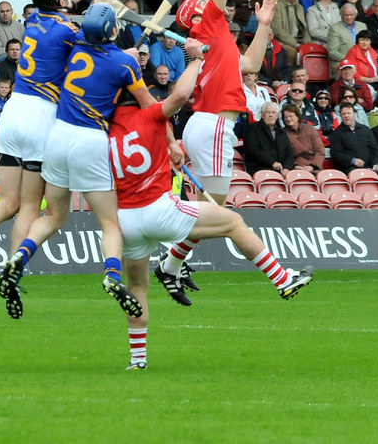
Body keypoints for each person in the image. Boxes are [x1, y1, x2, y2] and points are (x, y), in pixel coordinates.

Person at [0, 0, 140, 317]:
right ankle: (13, 268)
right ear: (61, 0)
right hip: (42, 117)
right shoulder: (71, 31)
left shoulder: (34, 18)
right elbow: (98, 6)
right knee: (28, 205)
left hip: (13, 112)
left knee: (4, 202)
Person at [110, 54, 312, 370]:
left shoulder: (105, 128)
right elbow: (178, 97)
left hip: (126, 219)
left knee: (136, 289)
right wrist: (194, 61)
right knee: (232, 221)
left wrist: (170, 146)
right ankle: (281, 278)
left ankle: (137, 360)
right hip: (159, 208)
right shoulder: (151, 115)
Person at [0, 1, 156, 320]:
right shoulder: (124, 64)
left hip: (57, 139)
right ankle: (112, 274)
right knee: (110, 223)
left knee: (54, 216)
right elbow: (149, 104)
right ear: (113, 32)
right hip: (90, 141)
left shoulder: (74, 47)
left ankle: (20, 257)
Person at [176, 0, 277, 207]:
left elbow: (251, 66)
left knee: (208, 211)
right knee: (216, 214)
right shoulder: (207, 23)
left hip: (207, 124)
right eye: (208, 2)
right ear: (199, 10)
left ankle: (172, 256)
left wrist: (264, 25)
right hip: (215, 124)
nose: (218, 4)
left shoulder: (216, 38)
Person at [329, 101, 378, 174]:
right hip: (350, 170)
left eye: (348, 113)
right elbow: (336, 154)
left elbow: (375, 150)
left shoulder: (366, 130)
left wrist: (376, 164)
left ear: (354, 114)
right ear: (340, 116)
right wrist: (353, 161)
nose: (346, 116)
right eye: (343, 114)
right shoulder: (336, 134)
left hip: (369, 168)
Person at [282, 103, 325, 173]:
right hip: (294, 169)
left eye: (291, 116)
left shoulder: (310, 129)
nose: (288, 119)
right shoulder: (283, 133)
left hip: (314, 168)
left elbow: (320, 151)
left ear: (298, 116)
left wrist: (312, 166)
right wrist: (294, 166)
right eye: (285, 117)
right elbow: (283, 155)